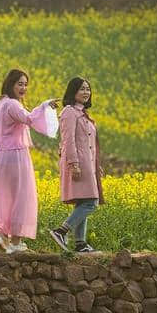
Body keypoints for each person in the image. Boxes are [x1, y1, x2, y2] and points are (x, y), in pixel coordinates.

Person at [0, 69, 58, 254]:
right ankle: (16, 242)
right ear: (10, 84)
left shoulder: (0, 104)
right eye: (20, 83)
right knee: (22, 195)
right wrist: (45, 106)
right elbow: (29, 119)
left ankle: (2, 235)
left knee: (5, 196)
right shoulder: (12, 105)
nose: (24, 88)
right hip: (15, 154)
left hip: (0, 156)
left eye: (26, 84)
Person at [50, 77, 104, 254]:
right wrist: (73, 164)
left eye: (88, 89)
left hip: (88, 164)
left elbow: (89, 144)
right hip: (78, 162)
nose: (86, 92)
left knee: (83, 200)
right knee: (91, 202)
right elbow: (68, 141)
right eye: (82, 89)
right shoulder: (69, 112)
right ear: (73, 91)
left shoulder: (83, 114)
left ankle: (81, 244)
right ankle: (61, 231)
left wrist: (97, 166)